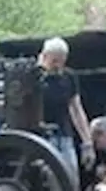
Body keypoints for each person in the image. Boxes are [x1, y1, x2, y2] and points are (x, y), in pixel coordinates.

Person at [37, 37, 93, 176]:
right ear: (44, 56)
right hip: (40, 136)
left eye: (61, 61)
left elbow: (76, 109)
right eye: (54, 61)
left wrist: (87, 143)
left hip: (63, 134)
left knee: (70, 173)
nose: (57, 65)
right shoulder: (34, 77)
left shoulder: (69, 77)